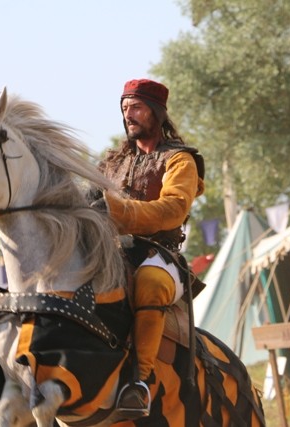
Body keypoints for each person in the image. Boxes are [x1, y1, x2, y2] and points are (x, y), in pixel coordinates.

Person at [92, 78, 205, 418]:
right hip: (110, 254)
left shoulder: (180, 160)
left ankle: (138, 383)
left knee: (151, 283)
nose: (129, 115)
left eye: (137, 107)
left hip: (159, 256)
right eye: (125, 108)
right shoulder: (110, 163)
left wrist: (116, 211)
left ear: (156, 112)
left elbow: (173, 209)